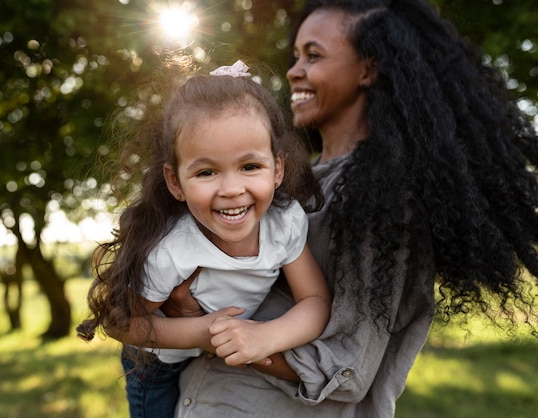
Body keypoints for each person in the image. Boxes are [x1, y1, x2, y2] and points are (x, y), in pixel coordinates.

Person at [158, 1, 538, 417]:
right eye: (296, 56)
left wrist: (237, 342)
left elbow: (348, 366)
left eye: (314, 55)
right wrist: (188, 314)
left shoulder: (384, 198)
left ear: (368, 70)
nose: (294, 71)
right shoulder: (282, 182)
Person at [76, 61, 331, 418]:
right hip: (158, 367)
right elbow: (120, 323)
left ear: (278, 168)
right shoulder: (172, 251)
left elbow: (316, 300)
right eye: (207, 172)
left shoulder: (284, 222)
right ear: (175, 182)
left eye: (250, 166)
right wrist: (201, 333)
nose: (231, 189)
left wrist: (266, 337)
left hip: (223, 358)